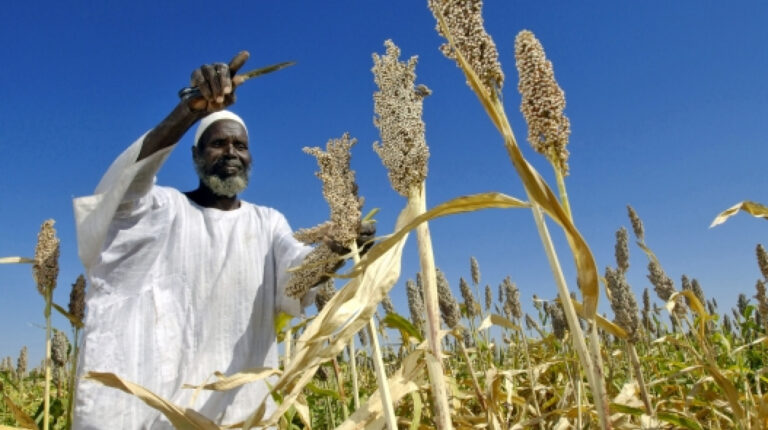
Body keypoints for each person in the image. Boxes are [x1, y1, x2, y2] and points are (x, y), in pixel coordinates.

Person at [72, 52, 368, 428]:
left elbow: (297, 278)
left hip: (245, 416)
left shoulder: (267, 222)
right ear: (196, 155)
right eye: (218, 144)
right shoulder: (164, 210)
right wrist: (190, 110)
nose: (231, 152)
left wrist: (336, 251)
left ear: (251, 158)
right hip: (166, 418)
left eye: (240, 146)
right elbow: (120, 194)